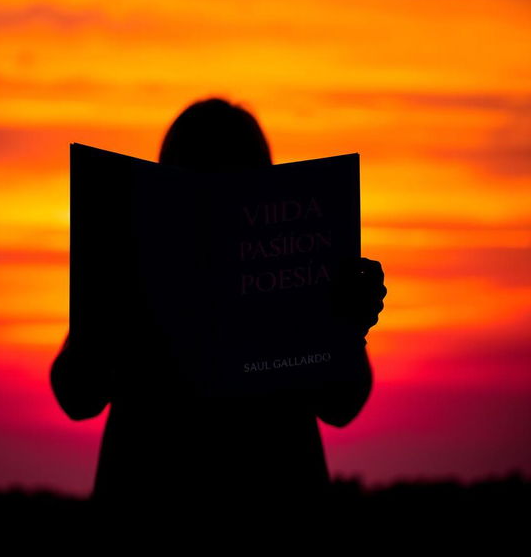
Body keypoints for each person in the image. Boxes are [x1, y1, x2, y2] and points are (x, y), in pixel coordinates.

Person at [50, 97, 386, 533]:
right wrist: (102, 296)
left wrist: (348, 326)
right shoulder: (130, 261)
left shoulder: (298, 267)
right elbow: (76, 395)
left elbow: (342, 404)